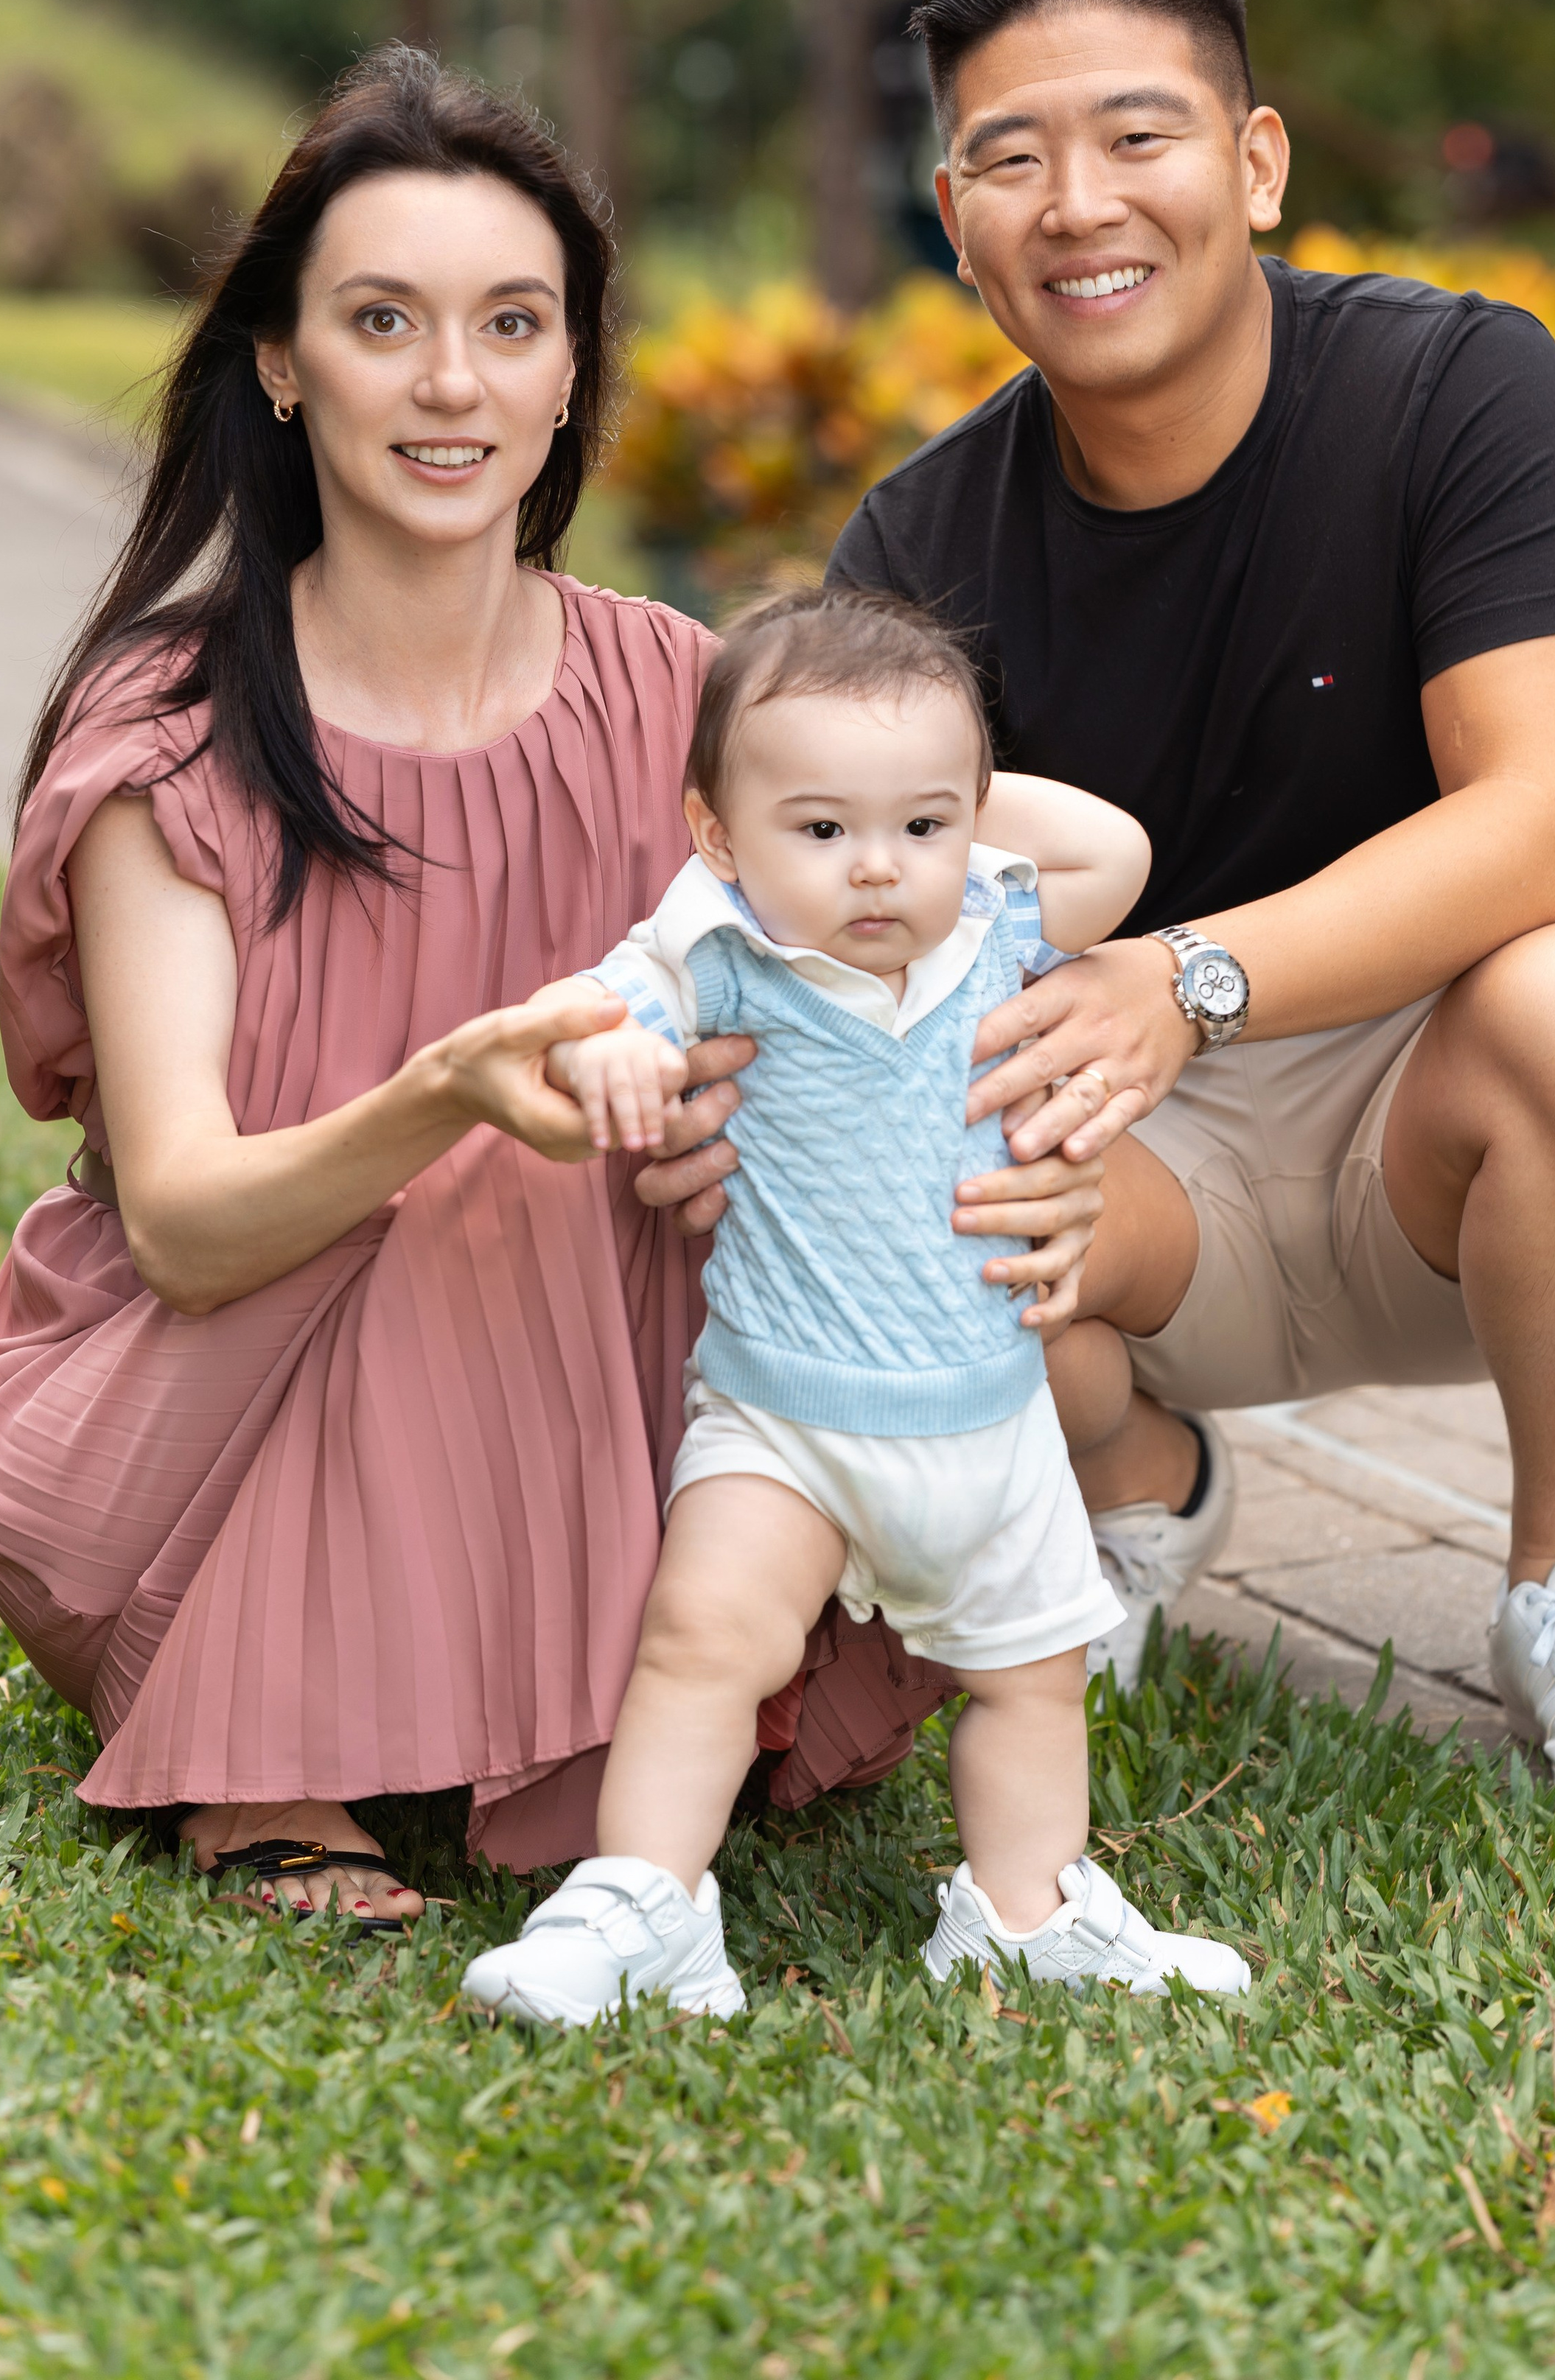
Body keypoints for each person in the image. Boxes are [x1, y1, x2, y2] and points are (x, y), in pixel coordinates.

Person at [0, 50, 1103, 1925]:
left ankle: (612, 1681)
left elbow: (963, 880)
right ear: (285, 364)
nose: (451, 383)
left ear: (570, 374)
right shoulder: (176, 733)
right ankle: (274, 1751)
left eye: (511, 324)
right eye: (383, 321)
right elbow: (191, 1225)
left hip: (595, 1379)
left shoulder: (686, 704)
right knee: (492, 1173)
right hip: (213, 1408)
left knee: (686, 1217)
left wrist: (1073, 1099)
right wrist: (442, 1092)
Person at [822, 0, 1555, 1835]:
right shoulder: (915, 550)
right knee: (907, 1170)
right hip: (1139, 1173)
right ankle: (1138, 1488)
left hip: (1457, 1128)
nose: (1080, 204)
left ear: (1255, 163)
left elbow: (1546, 821)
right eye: (1013, 156)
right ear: (955, 211)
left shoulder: (1456, 391)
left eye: (1138, 136)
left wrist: (1186, 982)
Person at [461, 589, 1251, 2023]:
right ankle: (646, 1903)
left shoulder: (998, 920)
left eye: (919, 829)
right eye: (820, 831)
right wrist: (622, 1064)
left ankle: (1026, 1913)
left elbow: (1115, 854)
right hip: (785, 1418)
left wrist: (909, 773)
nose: (878, 870)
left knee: (1030, 1680)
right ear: (720, 831)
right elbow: (607, 1017)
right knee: (702, 1641)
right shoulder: (709, 944)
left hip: (988, 1427)